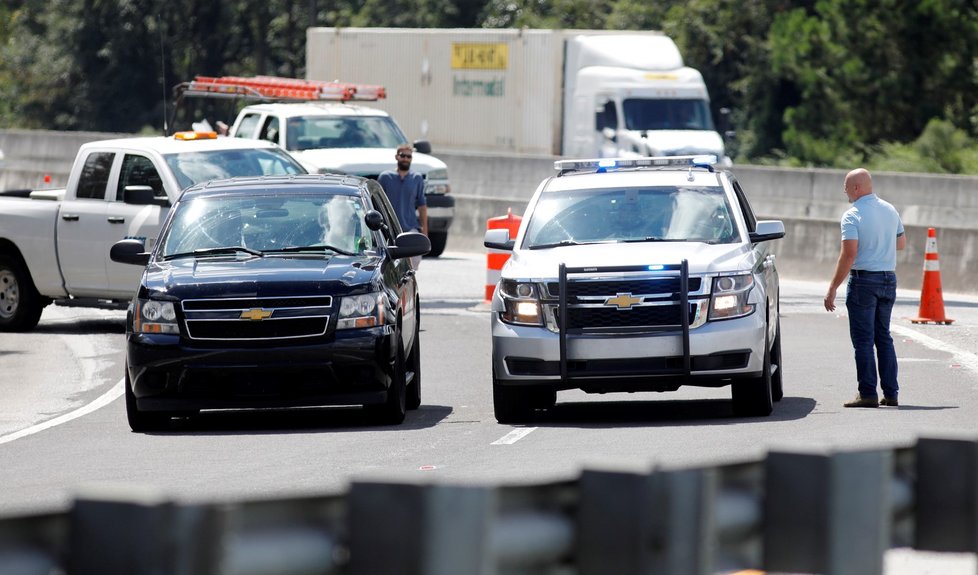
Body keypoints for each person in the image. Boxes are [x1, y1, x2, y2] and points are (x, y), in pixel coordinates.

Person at [823, 168, 906, 408]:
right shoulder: (890, 210)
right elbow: (900, 243)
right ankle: (891, 393)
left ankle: (868, 392)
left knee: (863, 340)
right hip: (888, 279)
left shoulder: (852, 215)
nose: (844, 191)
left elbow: (848, 255)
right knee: (884, 337)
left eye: (846, 186)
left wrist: (832, 288)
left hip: (863, 281)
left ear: (857, 188)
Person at [378, 144, 428, 268]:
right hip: (389, 229)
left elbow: (422, 205)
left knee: (414, 262)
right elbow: (377, 204)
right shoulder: (385, 177)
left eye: (408, 156)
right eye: (402, 156)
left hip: (410, 227)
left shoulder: (417, 178)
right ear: (396, 157)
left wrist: (425, 231)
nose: (405, 159)